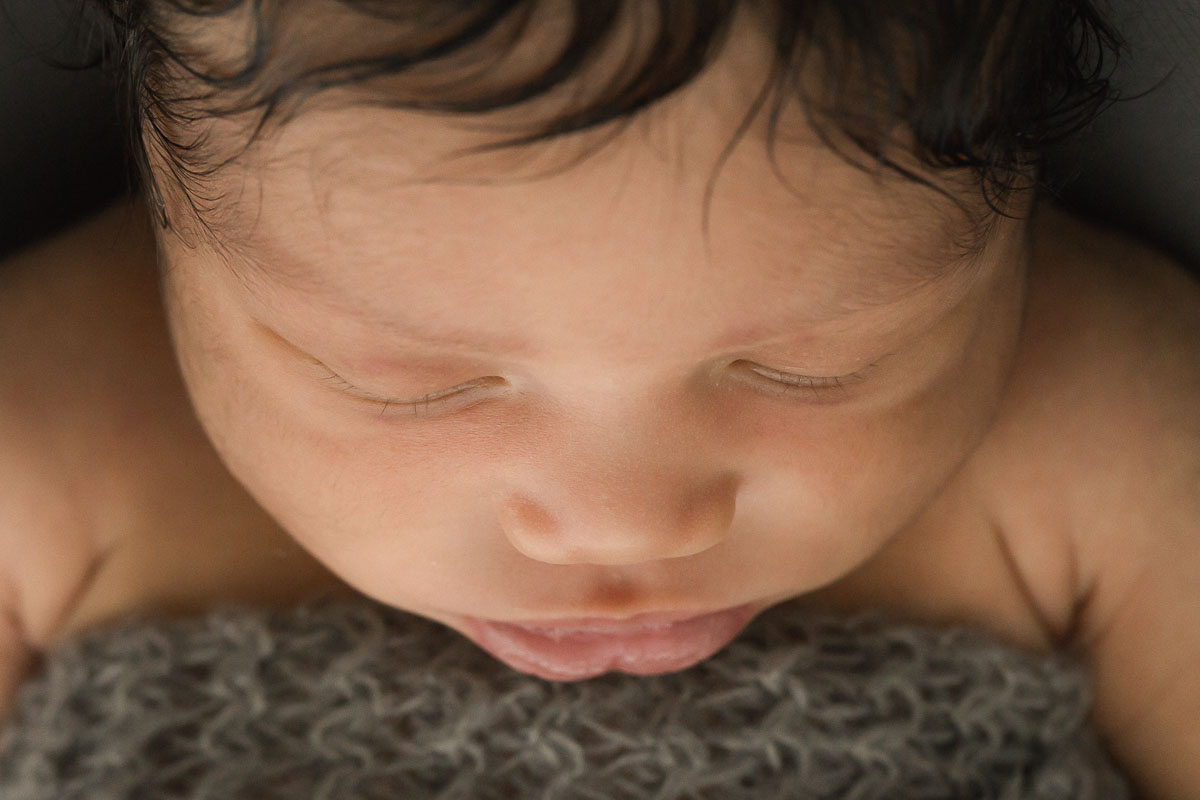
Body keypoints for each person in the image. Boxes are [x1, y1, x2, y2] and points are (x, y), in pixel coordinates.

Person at [1, 1, 1197, 797]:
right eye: (414, 380)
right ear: (171, 194)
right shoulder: (49, 451)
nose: (624, 522)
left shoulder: (1099, 429)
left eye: (813, 366)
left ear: (1014, 207)